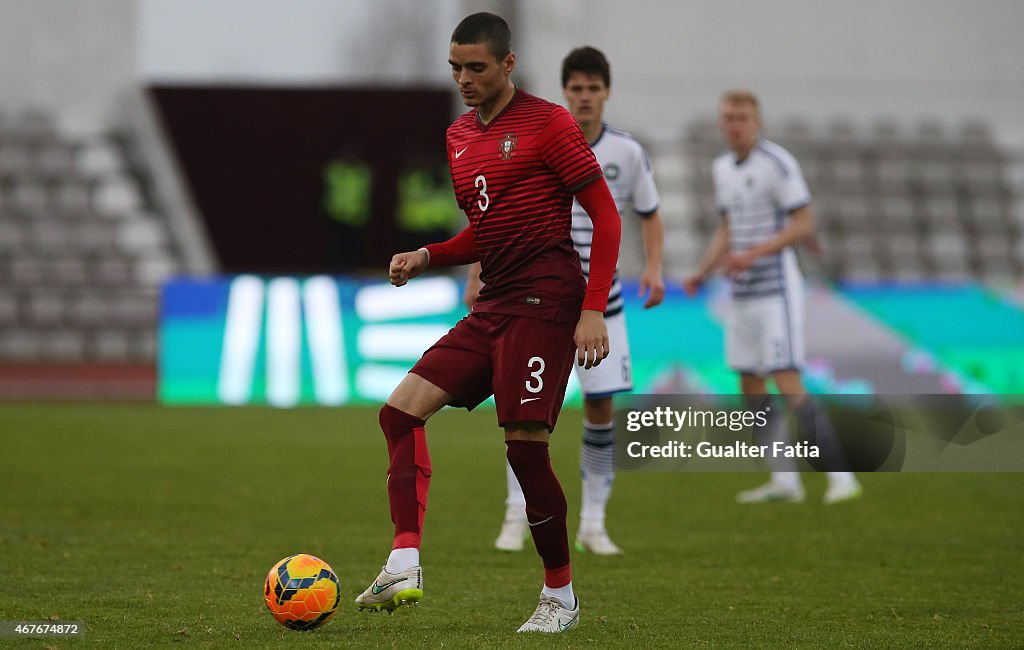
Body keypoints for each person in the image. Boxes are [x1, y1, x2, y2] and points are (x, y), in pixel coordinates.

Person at [354, 13, 622, 634]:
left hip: (547, 303)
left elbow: (604, 218)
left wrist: (590, 310)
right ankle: (403, 561)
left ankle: (560, 597)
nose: (464, 78)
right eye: (455, 68)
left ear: (507, 64)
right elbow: (491, 230)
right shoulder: (458, 136)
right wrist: (429, 255)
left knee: (525, 449)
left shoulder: (549, 123)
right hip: (494, 303)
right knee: (399, 412)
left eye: (476, 67)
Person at [466, 46, 665, 555]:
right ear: (566, 92)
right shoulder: (537, 141)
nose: (584, 97)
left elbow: (648, 211)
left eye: (593, 89)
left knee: (601, 409)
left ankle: (594, 523)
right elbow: (496, 218)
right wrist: (476, 271)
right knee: (522, 414)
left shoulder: (627, 152)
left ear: (606, 93)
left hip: (604, 306)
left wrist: (656, 268)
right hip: (537, 300)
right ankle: (515, 516)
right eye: (576, 88)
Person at [683, 90, 861, 505]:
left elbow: (804, 223)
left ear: (757, 121)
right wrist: (703, 270)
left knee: (787, 379)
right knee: (750, 383)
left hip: (776, 290)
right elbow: (728, 228)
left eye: (741, 117)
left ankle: (841, 476)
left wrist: (754, 253)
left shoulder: (777, 163)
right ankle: (785, 480)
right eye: (727, 117)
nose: (734, 124)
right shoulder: (722, 168)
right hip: (740, 294)